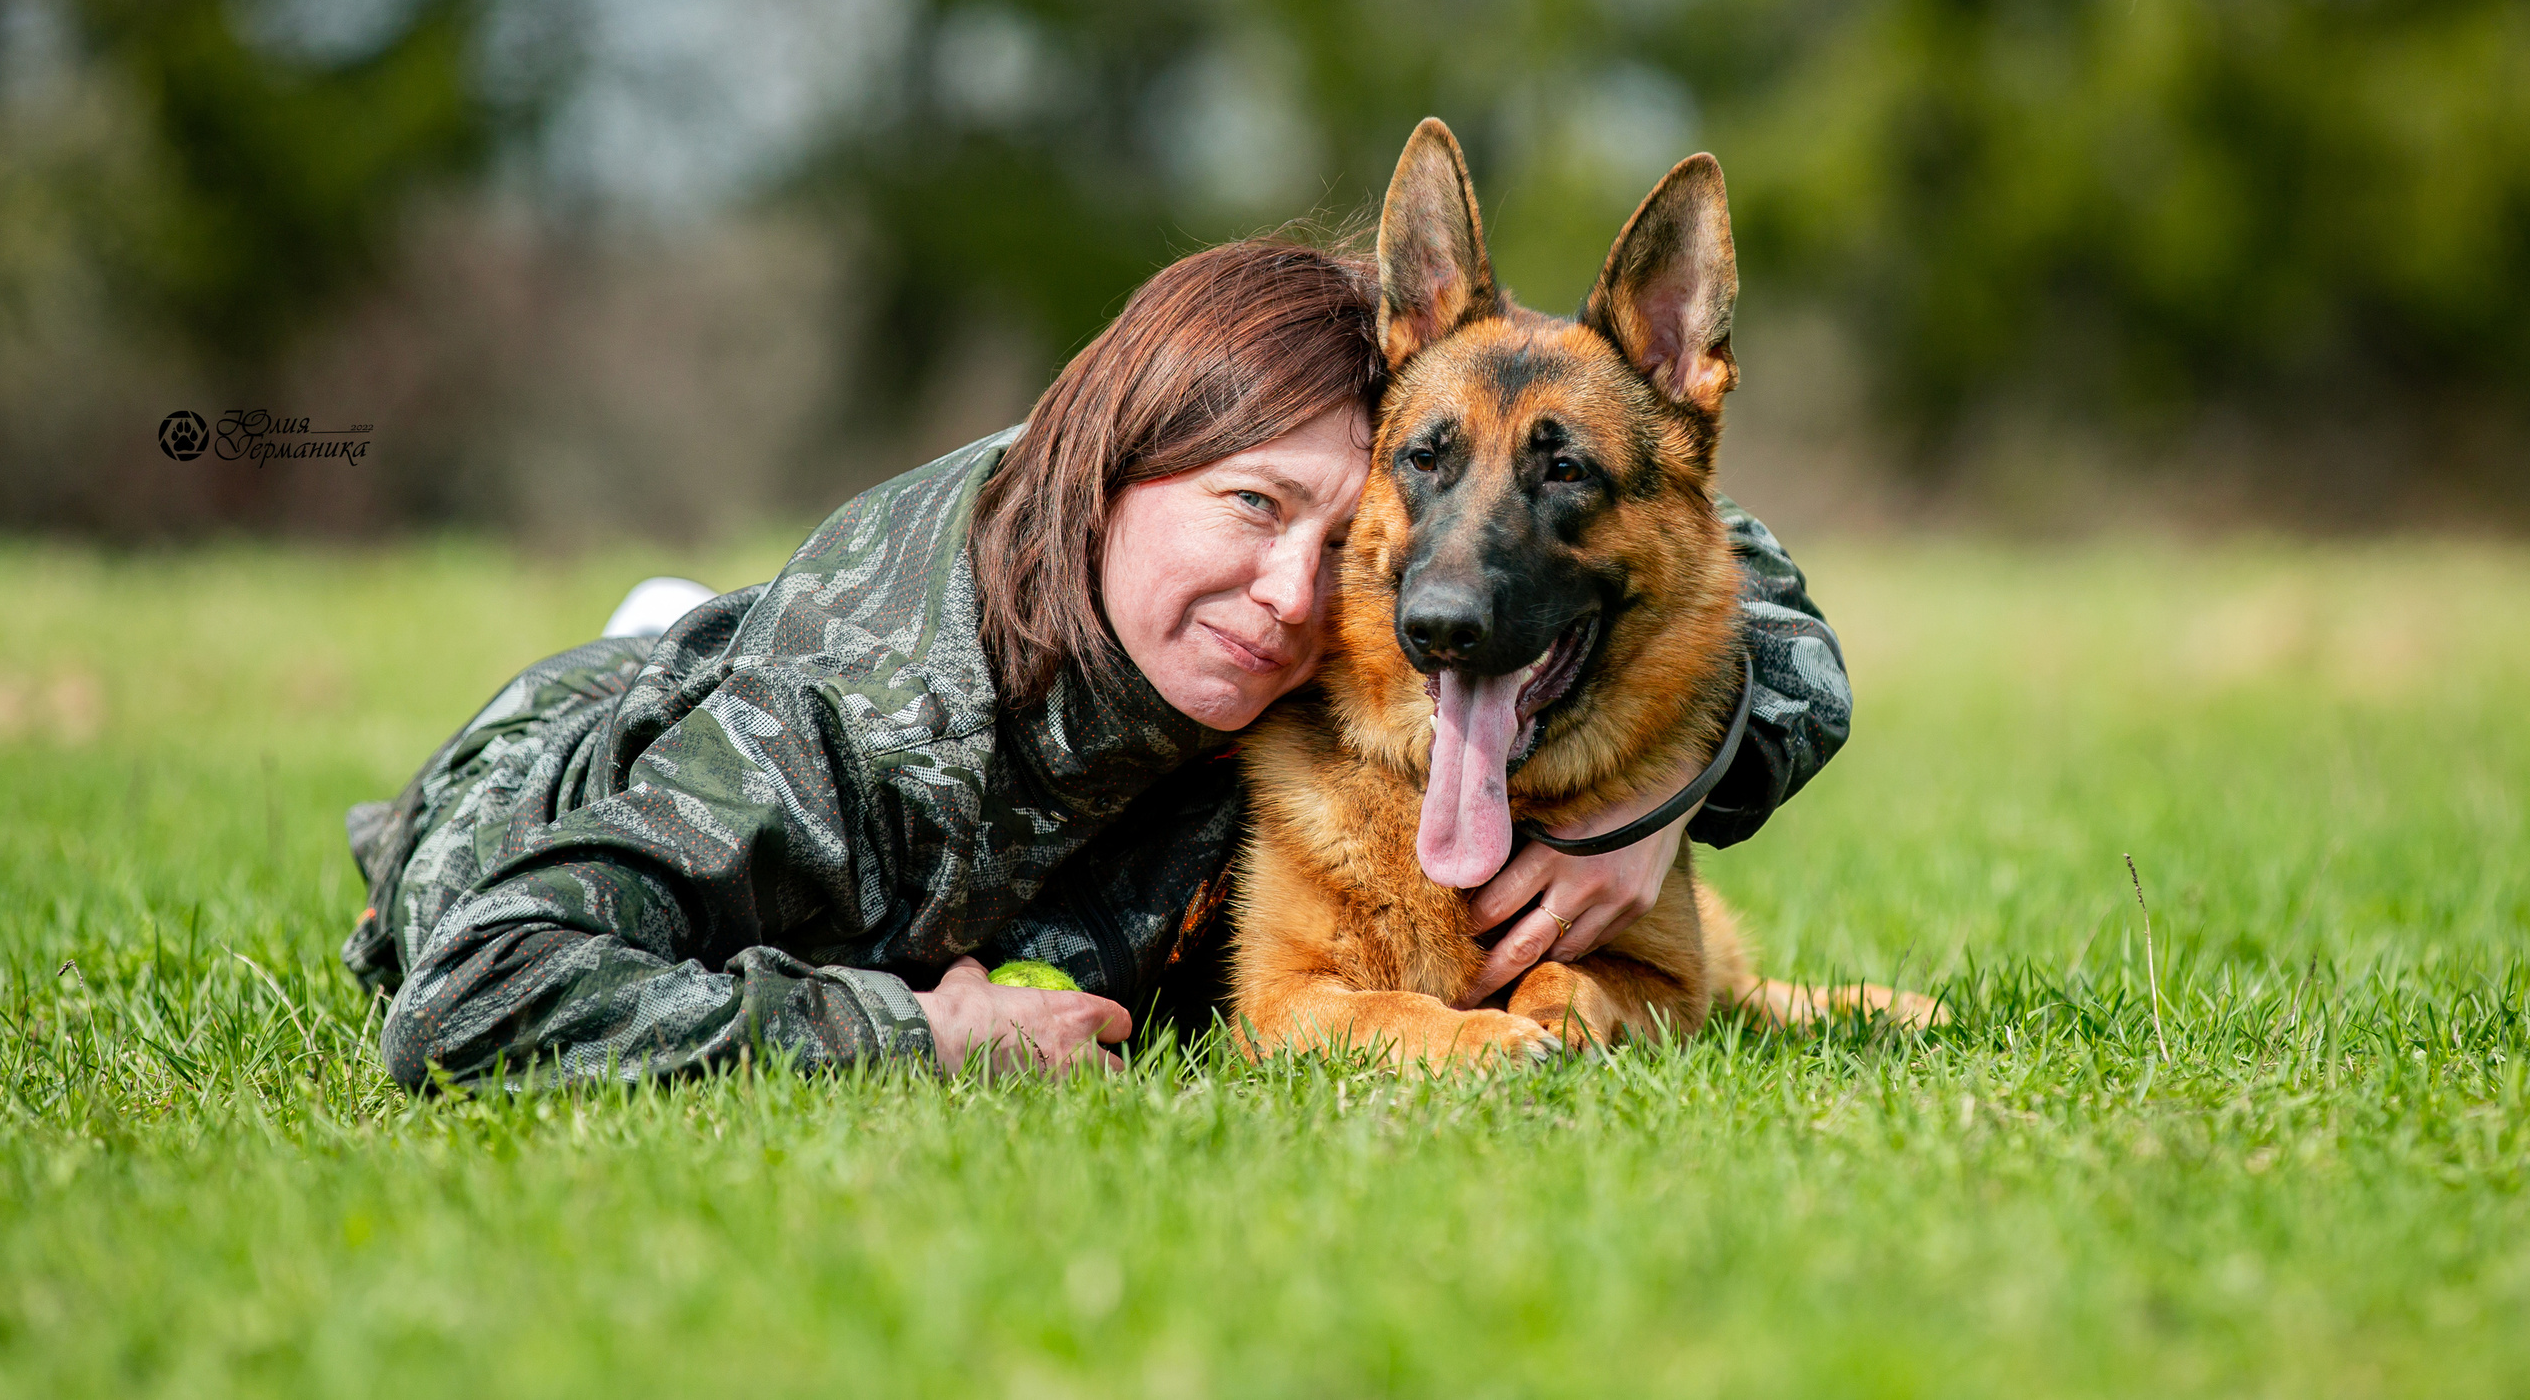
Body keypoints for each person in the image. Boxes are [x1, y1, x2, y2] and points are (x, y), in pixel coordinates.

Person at [340, 237, 1851, 1087]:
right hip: (607, 759)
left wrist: (1668, 790)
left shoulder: (1378, 523)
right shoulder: (864, 735)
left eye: (1336, 540)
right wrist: (911, 1034)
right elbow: (478, 996)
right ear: (1109, 469)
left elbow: (1735, 579)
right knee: (721, 734)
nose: (1288, 593)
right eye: (1248, 511)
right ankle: (669, 639)